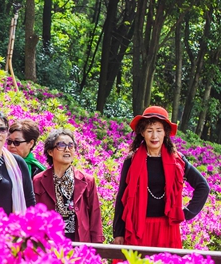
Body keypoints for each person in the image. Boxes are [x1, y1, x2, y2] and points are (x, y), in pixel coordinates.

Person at [112, 106, 209, 248]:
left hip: (167, 230)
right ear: (142, 133)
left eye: (159, 130)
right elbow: (121, 197)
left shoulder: (178, 160)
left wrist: (186, 213)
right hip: (137, 227)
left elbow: (203, 186)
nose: (154, 136)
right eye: (149, 131)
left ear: (165, 133)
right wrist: (118, 233)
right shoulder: (131, 161)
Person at [33, 129, 104, 243]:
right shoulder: (38, 180)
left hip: (78, 241)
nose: (67, 149)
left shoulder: (87, 181)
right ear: (50, 151)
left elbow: (95, 216)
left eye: (71, 145)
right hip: (49, 242)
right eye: (61, 145)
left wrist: (97, 245)